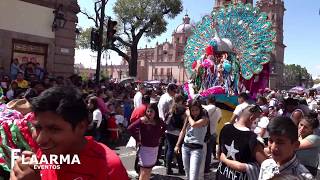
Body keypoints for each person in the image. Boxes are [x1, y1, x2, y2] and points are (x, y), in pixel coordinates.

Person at [10, 86, 128, 180]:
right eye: (38, 127)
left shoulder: (108, 167)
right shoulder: (46, 152)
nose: (40, 140)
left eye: (54, 129)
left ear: (81, 127)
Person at [216, 105, 266, 180]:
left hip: (221, 174)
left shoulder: (225, 128)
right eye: (257, 120)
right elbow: (265, 164)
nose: (257, 123)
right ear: (251, 118)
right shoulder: (252, 138)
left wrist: (225, 160)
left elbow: (218, 154)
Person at [127, 103, 166, 180]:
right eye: (148, 111)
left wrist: (159, 136)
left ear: (155, 112)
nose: (149, 113)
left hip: (154, 149)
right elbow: (130, 128)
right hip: (144, 149)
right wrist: (138, 139)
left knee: (148, 171)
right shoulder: (143, 120)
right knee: (144, 171)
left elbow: (165, 127)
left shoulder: (158, 121)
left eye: (151, 111)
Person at [175, 99, 209, 180]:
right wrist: (177, 145)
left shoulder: (205, 118)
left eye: (196, 110)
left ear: (200, 109)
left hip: (197, 150)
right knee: (188, 174)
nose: (194, 112)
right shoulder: (188, 119)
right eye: (192, 110)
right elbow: (183, 131)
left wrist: (189, 115)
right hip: (185, 147)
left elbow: (194, 125)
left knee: (193, 176)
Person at [165, 94, 186, 175]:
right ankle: (181, 169)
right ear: (181, 100)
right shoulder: (182, 109)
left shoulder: (171, 108)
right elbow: (184, 120)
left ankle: (168, 168)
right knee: (178, 150)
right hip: (178, 132)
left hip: (168, 131)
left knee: (170, 150)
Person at [202, 95, 222, 173]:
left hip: (205, 133)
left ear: (208, 100)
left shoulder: (205, 108)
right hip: (213, 132)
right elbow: (219, 120)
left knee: (202, 151)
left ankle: (201, 166)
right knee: (209, 151)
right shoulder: (218, 110)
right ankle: (206, 168)